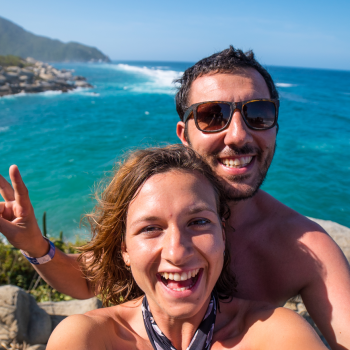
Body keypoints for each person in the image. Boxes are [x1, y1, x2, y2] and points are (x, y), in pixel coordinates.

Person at [0, 46, 349, 349]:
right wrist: (36, 246)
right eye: (213, 116)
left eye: (259, 114)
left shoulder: (306, 249)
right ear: (184, 133)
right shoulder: (150, 201)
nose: (239, 135)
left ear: (275, 126)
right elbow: (86, 279)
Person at [46, 145, 327, 350]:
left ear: (223, 236)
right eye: (151, 228)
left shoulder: (275, 335)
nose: (177, 252)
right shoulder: (88, 339)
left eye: (199, 222)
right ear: (125, 251)